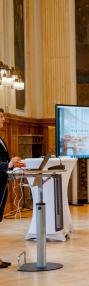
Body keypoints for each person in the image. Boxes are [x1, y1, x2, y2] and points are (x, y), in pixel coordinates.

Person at [0, 108, 24, 268]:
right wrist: (7, 164)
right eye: (0, 117)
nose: (3, 119)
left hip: (2, 184)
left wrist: (12, 161)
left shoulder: (1, 139)